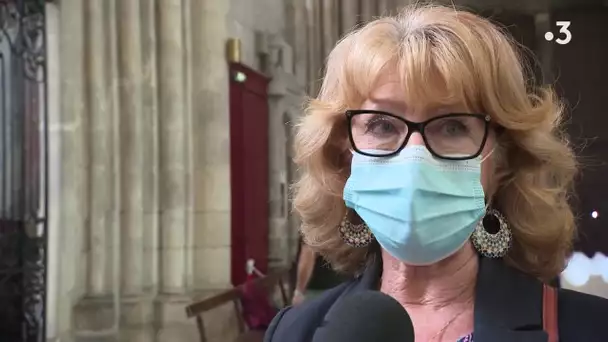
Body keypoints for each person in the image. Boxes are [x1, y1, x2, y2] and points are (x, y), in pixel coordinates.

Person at [264, 4, 608, 342]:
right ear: (345, 154)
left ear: (502, 161)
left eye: (453, 126)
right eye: (382, 125)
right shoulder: (295, 332)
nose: (416, 155)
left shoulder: (590, 328)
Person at [291, 237, 349, 305]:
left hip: (317, 290)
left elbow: (308, 255)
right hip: (345, 287)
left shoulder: (314, 227)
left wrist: (299, 291)